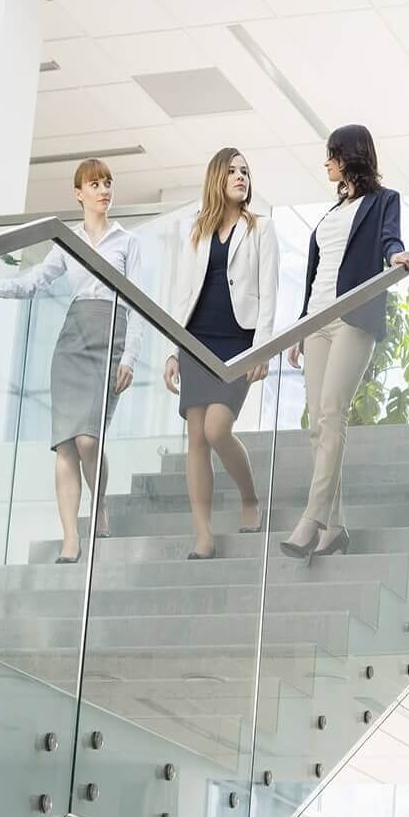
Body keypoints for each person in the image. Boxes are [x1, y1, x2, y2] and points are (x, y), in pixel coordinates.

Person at [0, 158, 141, 563]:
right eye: (94, 184)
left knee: (88, 439)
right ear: (79, 194)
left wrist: (130, 355)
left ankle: (102, 504)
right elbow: (34, 281)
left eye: (108, 183)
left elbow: (138, 302)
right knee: (66, 444)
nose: (103, 190)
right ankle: (70, 538)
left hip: (110, 335)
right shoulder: (69, 242)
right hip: (72, 342)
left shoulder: (127, 241)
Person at [281, 124, 409, 561]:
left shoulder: (383, 201)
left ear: (350, 156)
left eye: (332, 155)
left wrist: (395, 254)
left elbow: (388, 237)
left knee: (332, 413)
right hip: (316, 320)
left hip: (353, 316)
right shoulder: (331, 212)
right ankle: (335, 528)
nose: (326, 163)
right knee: (317, 423)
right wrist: (301, 326)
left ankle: (312, 518)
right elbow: (317, 271)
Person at [166, 148, 277, 560]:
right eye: (232, 171)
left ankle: (249, 496)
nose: (241, 176)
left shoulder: (261, 229)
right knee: (195, 437)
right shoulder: (196, 230)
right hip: (195, 339)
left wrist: (262, 349)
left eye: (245, 171)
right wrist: (172, 351)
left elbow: (269, 292)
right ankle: (203, 535)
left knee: (217, 429)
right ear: (217, 178)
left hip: (238, 343)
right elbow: (182, 294)